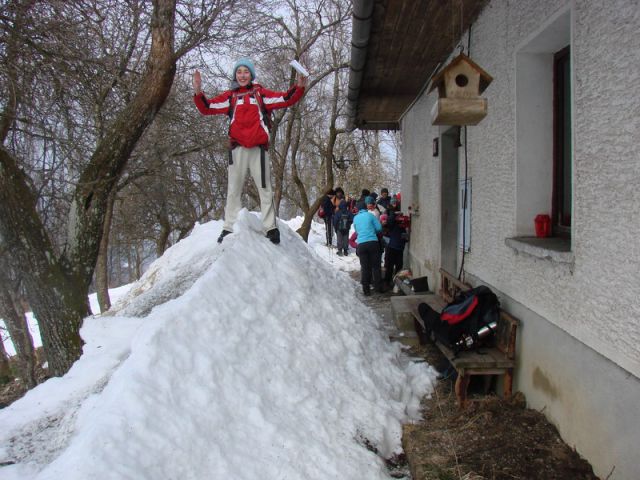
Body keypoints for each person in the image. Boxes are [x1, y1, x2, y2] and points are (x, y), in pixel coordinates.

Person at [193, 58, 307, 244]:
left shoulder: (259, 93)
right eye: (239, 72)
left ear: (251, 74)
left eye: (246, 71)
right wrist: (198, 90)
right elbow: (207, 108)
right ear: (235, 75)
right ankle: (228, 228)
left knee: (265, 188)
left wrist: (299, 87)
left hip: (258, 150)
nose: (243, 75)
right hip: (237, 149)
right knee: (233, 189)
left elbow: (285, 98)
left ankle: (270, 227)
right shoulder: (231, 96)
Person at [353, 200, 383, 296]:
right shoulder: (371, 216)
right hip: (372, 243)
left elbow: (357, 231)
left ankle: (366, 290)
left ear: (358, 209)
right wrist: (371, 230)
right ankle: (378, 287)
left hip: (361, 244)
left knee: (365, 267)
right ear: (366, 207)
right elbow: (379, 228)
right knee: (376, 266)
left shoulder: (355, 218)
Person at [383, 198, 408, 285]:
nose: (393, 205)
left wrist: (391, 213)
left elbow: (389, 224)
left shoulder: (392, 216)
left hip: (394, 243)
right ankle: (396, 282)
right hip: (399, 244)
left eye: (394, 203)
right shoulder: (401, 217)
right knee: (398, 265)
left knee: (391, 265)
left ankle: (389, 281)